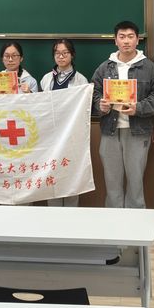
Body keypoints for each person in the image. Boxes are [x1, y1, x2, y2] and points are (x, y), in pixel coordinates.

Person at [92, 21, 154, 209]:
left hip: (138, 131)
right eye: (122, 37)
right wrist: (101, 106)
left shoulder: (148, 67)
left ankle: (136, 220)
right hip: (110, 131)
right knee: (112, 180)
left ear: (137, 40)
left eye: (130, 37)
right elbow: (94, 94)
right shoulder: (104, 68)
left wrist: (137, 108)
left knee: (135, 181)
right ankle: (114, 220)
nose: (126, 41)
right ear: (115, 40)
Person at [41, 38, 89, 207]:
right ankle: (53, 214)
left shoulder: (81, 80)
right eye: (57, 53)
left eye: (65, 53)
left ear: (72, 55)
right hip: (51, 136)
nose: (61, 57)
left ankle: (71, 214)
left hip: (72, 136)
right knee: (52, 173)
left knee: (71, 176)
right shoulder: (46, 79)